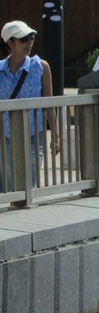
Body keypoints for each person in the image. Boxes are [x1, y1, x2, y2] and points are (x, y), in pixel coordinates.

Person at [0, 21, 60, 191]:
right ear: (11, 43)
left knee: (30, 176)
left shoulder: (41, 67)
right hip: (5, 132)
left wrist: (55, 135)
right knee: (9, 180)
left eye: (32, 38)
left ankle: (25, 205)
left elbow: (49, 103)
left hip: (35, 131)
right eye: (24, 39)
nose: (30, 42)